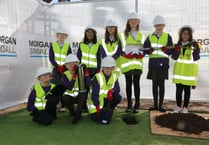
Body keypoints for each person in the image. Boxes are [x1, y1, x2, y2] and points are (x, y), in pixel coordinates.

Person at [143, 15, 173, 112]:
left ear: (164, 26)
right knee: (154, 85)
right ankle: (155, 104)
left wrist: (166, 51)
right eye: (157, 25)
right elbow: (145, 49)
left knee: (162, 85)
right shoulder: (150, 37)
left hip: (163, 64)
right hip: (153, 64)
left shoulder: (167, 36)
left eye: (160, 25)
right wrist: (149, 51)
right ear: (154, 26)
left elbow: (171, 50)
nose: (159, 27)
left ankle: (161, 105)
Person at [119, 12, 145, 113]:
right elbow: (120, 49)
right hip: (127, 63)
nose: (134, 21)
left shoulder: (142, 35)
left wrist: (140, 53)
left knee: (136, 84)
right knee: (128, 84)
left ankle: (137, 104)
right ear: (128, 22)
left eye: (135, 20)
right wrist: (127, 53)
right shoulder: (122, 35)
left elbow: (143, 49)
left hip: (137, 63)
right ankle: (129, 104)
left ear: (138, 22)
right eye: (131, 20)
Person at [172, 26, 200, 113]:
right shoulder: (178, 45)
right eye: (184, 34)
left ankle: (185, 107)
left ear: (190, 35)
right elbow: (174, 57)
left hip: (188, 73)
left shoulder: (194, 44)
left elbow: (196, 57)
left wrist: (196, 47)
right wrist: (176, 50)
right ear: (181, 35)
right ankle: (178, 106)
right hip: (179, 72)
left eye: (187, 34)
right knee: (178, 91)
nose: (185, 36)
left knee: (187, 91)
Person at [88, 56, 122, 124]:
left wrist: (112, 91)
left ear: (113, 68)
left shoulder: (114, 76)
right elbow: (94, 95)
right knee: (99, 119)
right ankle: (105, 112)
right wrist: (97, 107)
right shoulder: (97, 77)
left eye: (109, 68)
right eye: (105, 67)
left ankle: (109, 110)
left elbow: (117, 89)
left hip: (107, 100)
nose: (107, 69)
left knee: (118, 97)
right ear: (102, 67)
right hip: (96, 104)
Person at [62, 54, 91, 124]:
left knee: (83, 93)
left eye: (74, 63)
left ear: (78, 64)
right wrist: (74, 77)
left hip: (80, 96)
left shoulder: (81, 72)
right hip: (70, 96)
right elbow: (69, 87)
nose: (72, 65)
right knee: (65, 97)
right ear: (66, 66)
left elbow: (88, 84)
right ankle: (72, 112)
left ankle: (78, 114)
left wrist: (86, 73)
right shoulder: (65, 74)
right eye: (70, 64)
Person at [49, 27, 72, 112]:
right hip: (55, 69)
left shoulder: (67, 46)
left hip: (65, 70)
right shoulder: (53, 45)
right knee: (55, 87)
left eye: (64, 35)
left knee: (63, 87)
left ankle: (62, 105)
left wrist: (64, 67)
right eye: (60, 34)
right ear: (57, 35)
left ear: (66, 37)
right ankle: (54, 105)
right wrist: (57, 66)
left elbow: (69, 58)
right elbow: (51, 58)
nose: (62, 36)